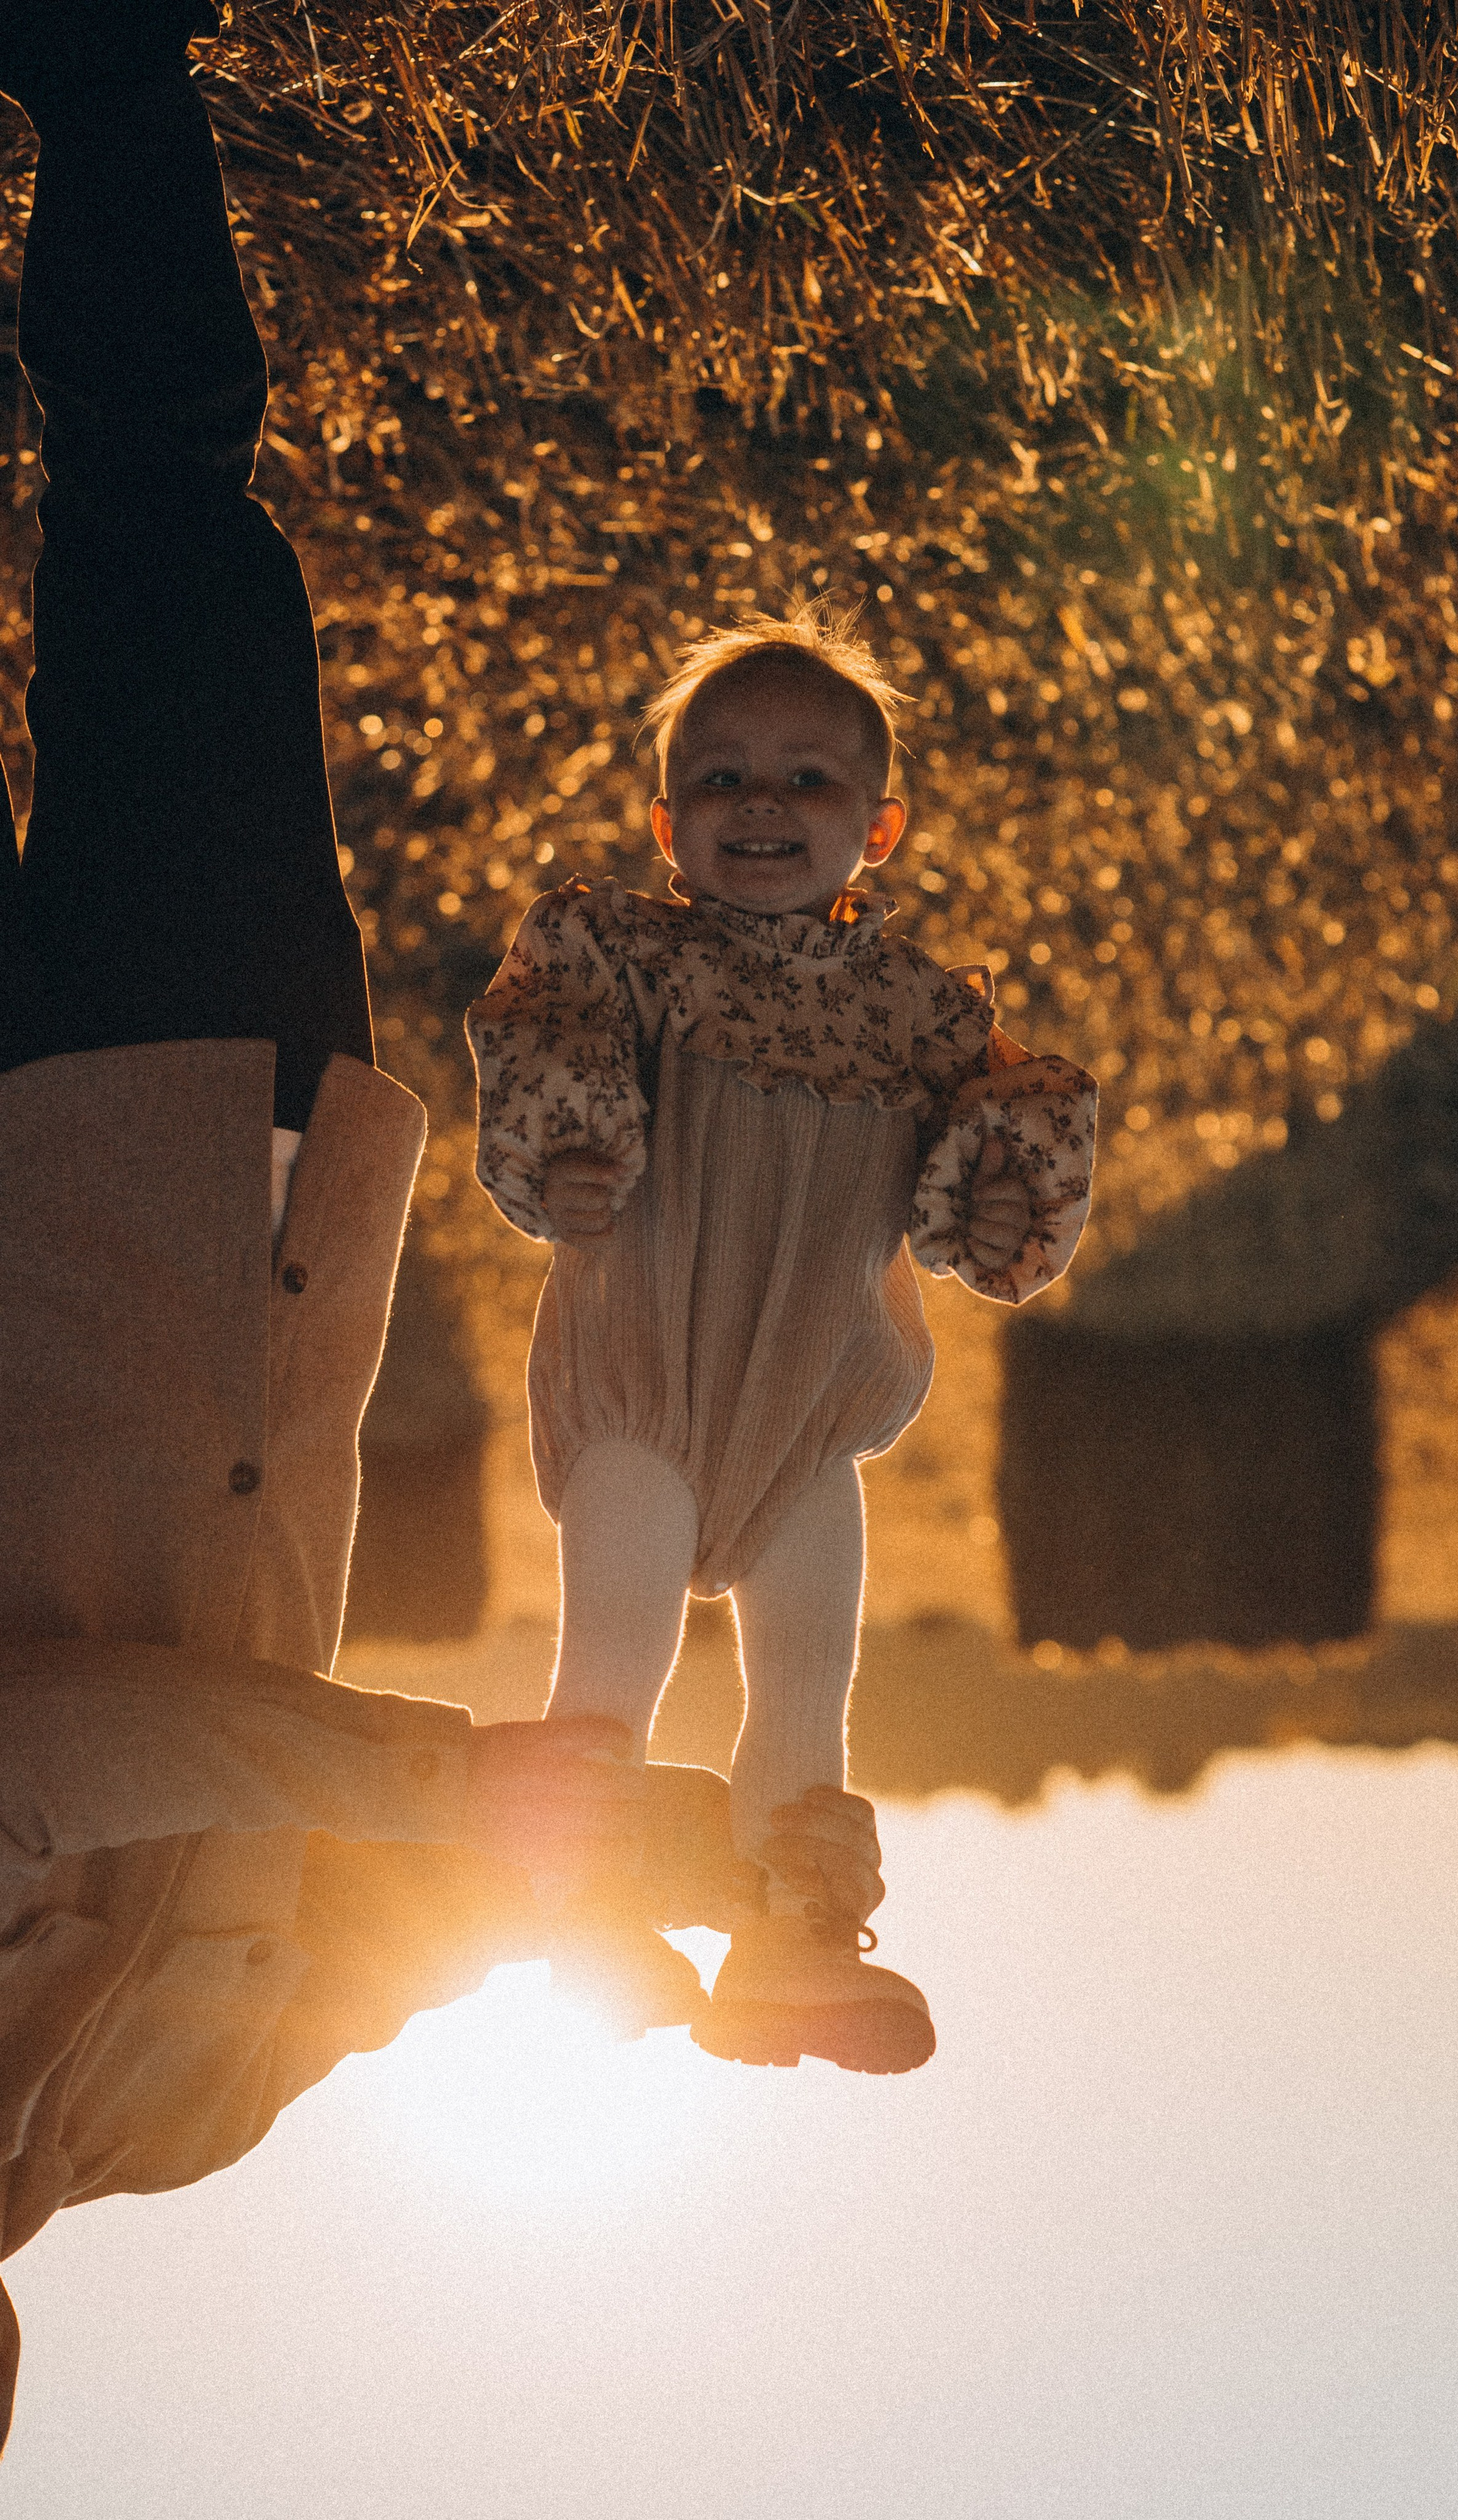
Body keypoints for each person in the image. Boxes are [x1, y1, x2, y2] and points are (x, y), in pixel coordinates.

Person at [0, 5, 880, 2450]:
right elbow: (453, 1902)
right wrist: (740, 1875)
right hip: (218, 1181)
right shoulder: (179, 2118)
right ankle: (97, 69)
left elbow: (38, 1766)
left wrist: (421, 1811)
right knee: (179, 541)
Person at [468, 614, 1100, 2074]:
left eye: (806, 781)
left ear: (876, 829)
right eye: (721, 777)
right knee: (613, 1661)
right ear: (666, 818)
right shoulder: (621, 956)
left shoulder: (922, 1014)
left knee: (807, 1687)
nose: (760, 805)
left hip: (814, 1415)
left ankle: (793, 1937)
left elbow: (1004, 1153)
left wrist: (999, 1191)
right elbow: (540, 1038)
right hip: (645, 1382)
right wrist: (565, 1152)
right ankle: (582, 1913)